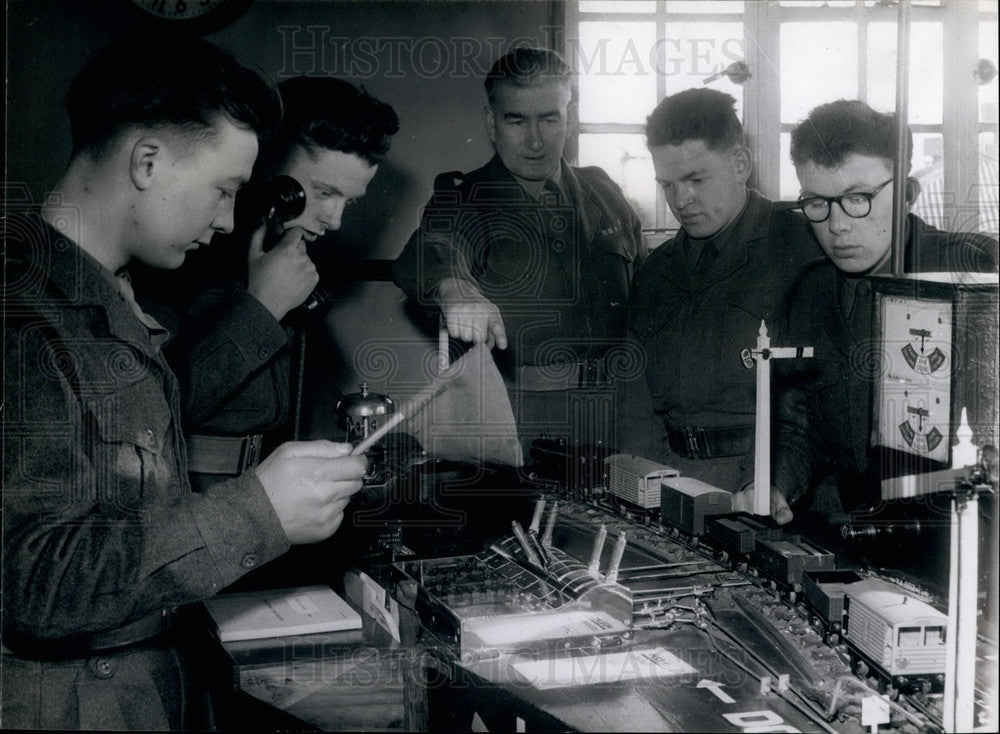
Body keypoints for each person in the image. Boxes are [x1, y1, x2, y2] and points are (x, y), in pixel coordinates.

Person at [1, 32, 368, 730]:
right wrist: (257, 510)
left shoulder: (109, 297)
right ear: (146, 161)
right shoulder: (24, 320)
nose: (229, 219)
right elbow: (34, 583)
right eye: (223, 190)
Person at [133, 76, 399, 484]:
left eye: (349, 201)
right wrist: (262, 306)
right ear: (265, 163)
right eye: (325, 192)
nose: (335, 220)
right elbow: (150, 410)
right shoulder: (174, 254)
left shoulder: (285, 258)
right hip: (187, 494)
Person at [392, 47, 645, 454]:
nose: (534, 141)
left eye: (549, 118)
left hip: (622, 411)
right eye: (516, 121)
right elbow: (430, 247)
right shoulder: (464, 199)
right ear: (492, 123)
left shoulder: (604, 190)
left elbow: (650, 295)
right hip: (520, 417)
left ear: (571, 118)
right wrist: (457, 291)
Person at [764, 99, 998, 523]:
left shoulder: (979, 272)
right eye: (817, 202)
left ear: (908, 195)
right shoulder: (809, 294)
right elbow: (800, 430)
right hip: (868, 542)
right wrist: (774, 486)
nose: (837, 225)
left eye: (858, 198)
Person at [618, 88, 821, 495]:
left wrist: (768, 485)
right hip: (668, 479)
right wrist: (641, 483)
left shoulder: (801, 250)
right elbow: (636, 400)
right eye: (667, 185)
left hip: (764, 484)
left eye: (696, 179)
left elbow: (809, 404)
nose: (681, 200)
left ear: (741, 163)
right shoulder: (656, 272)